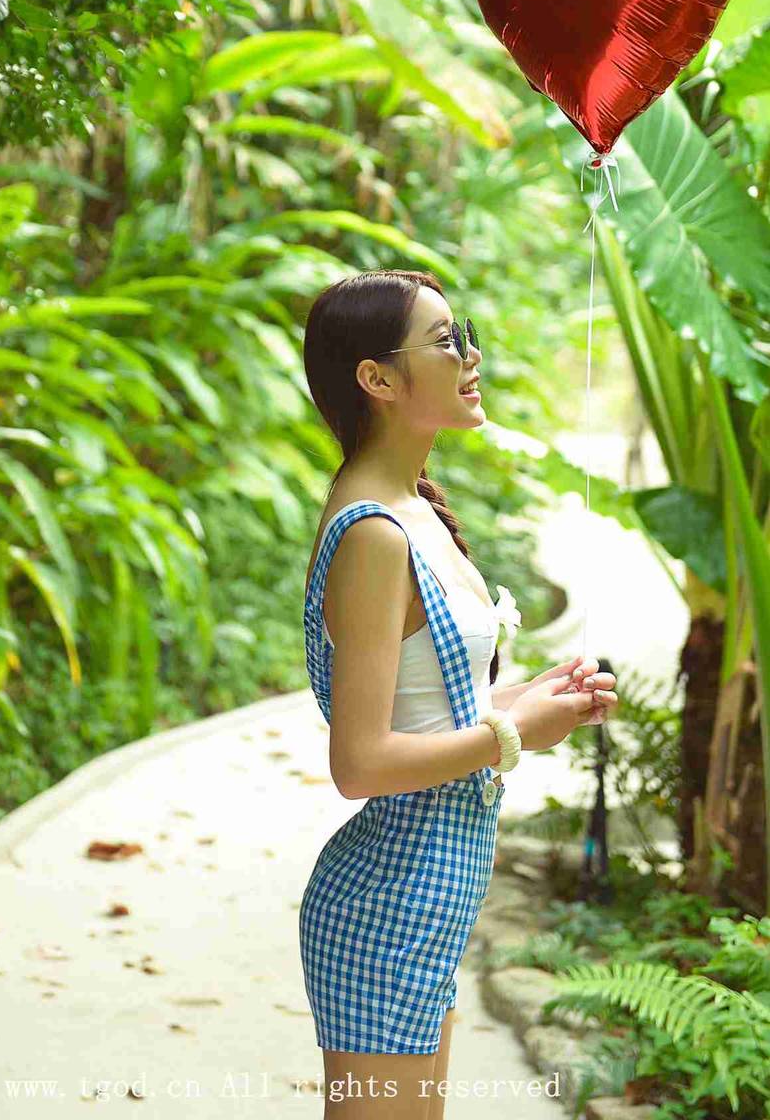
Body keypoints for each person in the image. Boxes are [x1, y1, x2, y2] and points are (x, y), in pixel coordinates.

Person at [298, 269, 618, 1117]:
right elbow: (360, 764)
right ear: (378, 378)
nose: (471, 356)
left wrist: (528, 702)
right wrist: (512, 739)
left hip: (424, 895)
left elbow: (425, 708)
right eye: (446, 341)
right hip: (388, 901)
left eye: (463, 333)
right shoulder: (373, 532)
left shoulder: (414, 508)